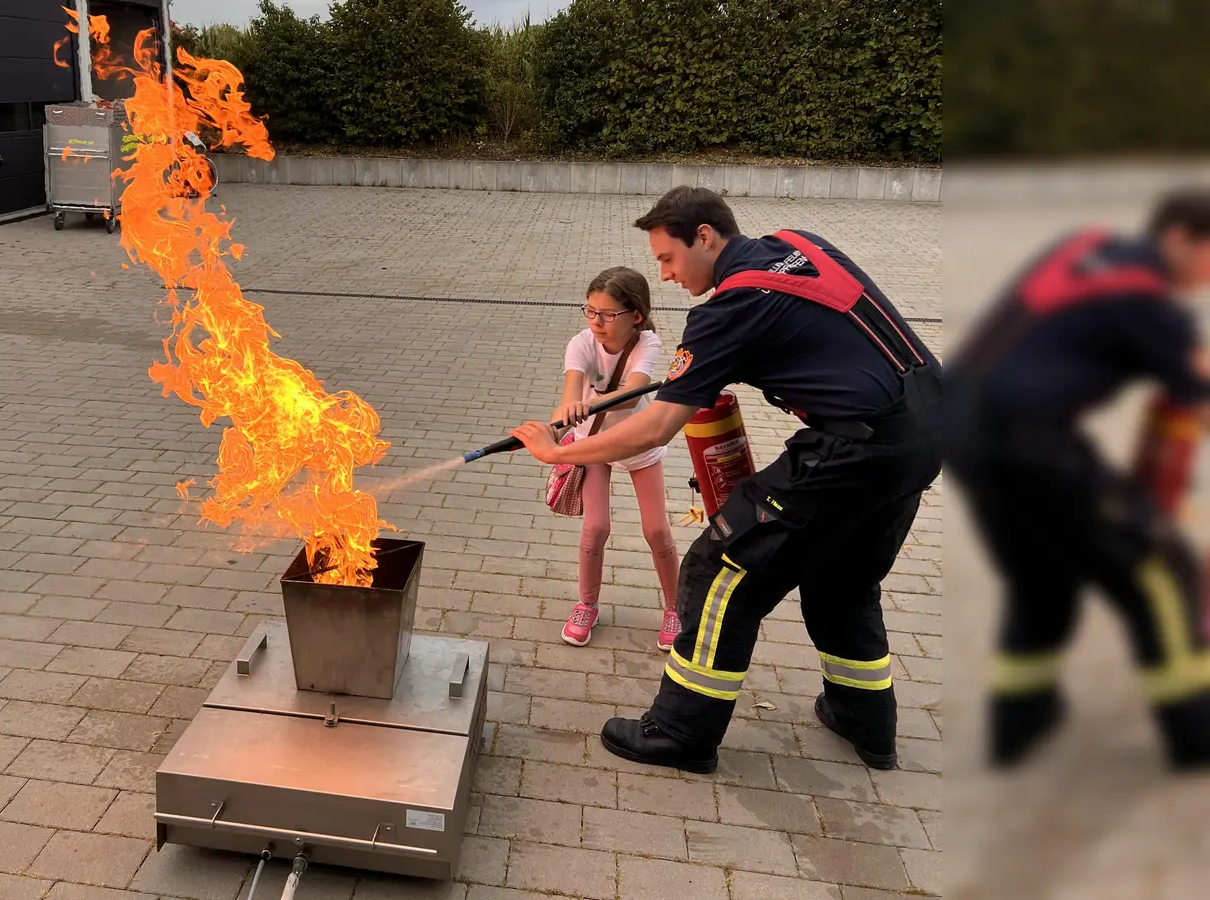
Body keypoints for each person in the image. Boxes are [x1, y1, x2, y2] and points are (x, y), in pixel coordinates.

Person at [508, 186, 944, 774]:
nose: (664, 276)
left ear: (705, 237)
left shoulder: (726, 310)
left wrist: (555, 450)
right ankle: (866, 720)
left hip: (857, 447)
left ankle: (681, 733)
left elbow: (653, 428)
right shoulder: (799, 244)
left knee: (719, 569)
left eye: (668, 258)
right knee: (844, 579)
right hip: (929, 425)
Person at [946, 188, 1210, 770]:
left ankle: (1020, 718)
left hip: (964, 434)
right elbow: (1196, 393)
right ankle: (1196, 733)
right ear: (1179, 238)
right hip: (1028, 445)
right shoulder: (1147, 300)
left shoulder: (1082, 247)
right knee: (1160, 569)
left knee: (1042, 577)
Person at [554, 267, 683, 651]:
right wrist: (553, 431)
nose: (596, 321)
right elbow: (568, 400)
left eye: (608, 314)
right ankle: (586, 605)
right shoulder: (581, 343)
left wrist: (590, 404)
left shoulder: (647, 342)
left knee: (656, 530)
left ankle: (676, 608)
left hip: (636, 441)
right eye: (590, 311)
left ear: (636, 315)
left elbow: (631, 396)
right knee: (595, 527)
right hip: (593, 443)